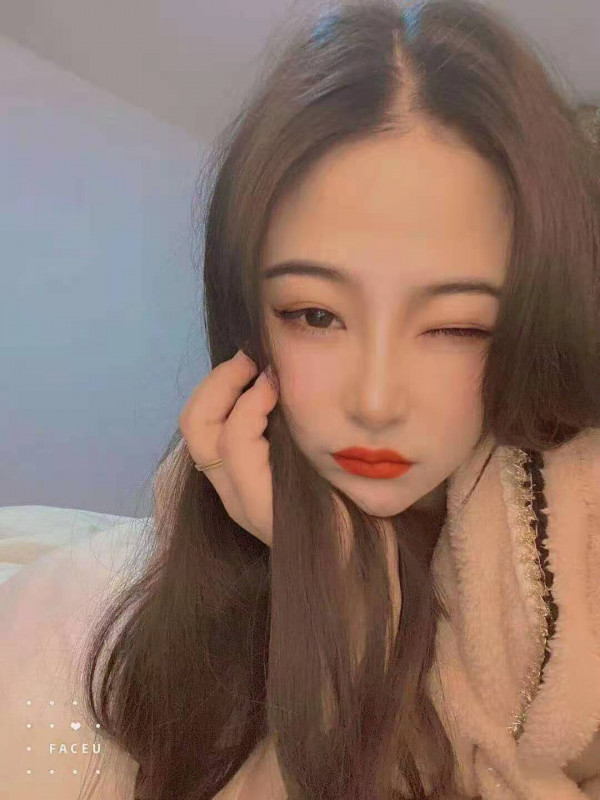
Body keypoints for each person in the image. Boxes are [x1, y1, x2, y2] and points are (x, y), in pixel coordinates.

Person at [2, 0, 599, 797]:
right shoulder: (181, 538)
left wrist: (351, 614)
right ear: (250, 322)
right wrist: (320, 568)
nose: (376, 400)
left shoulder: (577, 573)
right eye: (316, 315)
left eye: (457, 326)